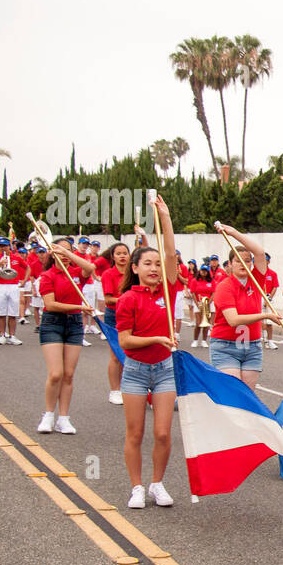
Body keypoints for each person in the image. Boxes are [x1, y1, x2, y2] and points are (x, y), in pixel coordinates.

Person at [115, 196, 182, 509]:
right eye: (148, 264)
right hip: (136, 371)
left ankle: (157, 483)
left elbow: (170, 251)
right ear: (136, 268)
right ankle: (137, 487)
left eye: (157, 264)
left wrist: (165, 217)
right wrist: (158, 337)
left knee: (164, 434)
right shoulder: (128, 299)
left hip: (165, 369)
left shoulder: (169, 289)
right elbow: (126, 342)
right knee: (135, 433)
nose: (155, 268)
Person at [36, 238, 97, 434]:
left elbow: (90, 267)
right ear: (52, 254)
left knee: (69, 375)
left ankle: (64, 417)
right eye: (59, 250)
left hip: (74, 324)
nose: (64, 253)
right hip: (52, 322)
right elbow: (51, 304)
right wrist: (80, 307)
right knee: (56, 374)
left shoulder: (77, 273)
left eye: (68, 250)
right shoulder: (47, 275)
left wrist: (69, 254)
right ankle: (48, 415)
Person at [209, 225, 279, 387]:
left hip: (252, 345)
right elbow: (233, 320)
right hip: (226, 346)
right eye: (238, 261)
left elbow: (259, 252)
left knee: (247, 397)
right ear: (230, 264)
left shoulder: (256, 280)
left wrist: (233, 232)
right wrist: (266, 316)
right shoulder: (224, 286)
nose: (243, 264)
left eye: (247, 261)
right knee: (233, 394)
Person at [100, 242, 131, 403]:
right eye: (118, 253)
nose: (122, 256)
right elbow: (108, 299)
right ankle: (114, 390)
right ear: (113, 256)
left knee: (131, 354)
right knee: (116, 356)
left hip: (132, 314)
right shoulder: (108, 274)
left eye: (125, 253)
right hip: (114, 314)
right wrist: (126, 300)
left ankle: (128, 388)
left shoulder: (134, 272)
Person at [0, 238, 29, 346]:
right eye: (0, 246)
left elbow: (28, 267)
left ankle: (12, 336)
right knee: (1, 313)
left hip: (14, 286)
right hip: (1, 286)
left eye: (5, 246)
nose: (3, 248)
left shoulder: (16, 258)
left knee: (13, 313)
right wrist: (0, 264)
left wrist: (24, 280)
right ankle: (2, 335)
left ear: (9, 247)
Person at [187, 265, 215, 349]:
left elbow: (213, 292)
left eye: (205, 271)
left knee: (206, 324)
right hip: (198, 303)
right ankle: (195, 340)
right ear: (200, 271)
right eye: (202, 270)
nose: (204, 272)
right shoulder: (195, 281)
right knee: (198, 323)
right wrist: (197, 304)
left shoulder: (211, 281)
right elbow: (193, 293)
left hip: (208, 303)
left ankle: (203, 341)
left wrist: (208, 303)